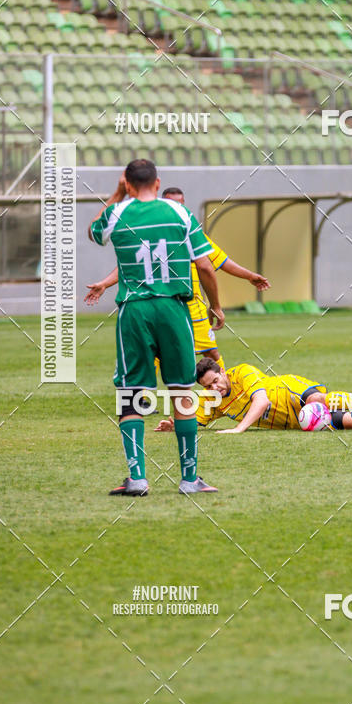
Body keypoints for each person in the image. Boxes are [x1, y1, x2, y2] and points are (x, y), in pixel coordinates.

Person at [88, 159, 224, 496]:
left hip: (134, 310)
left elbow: (94, 231)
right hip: (174, 309)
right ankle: (190, 480)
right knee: (182, 391)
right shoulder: (179, 214)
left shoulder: (118, 213)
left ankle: (137, 479)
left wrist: (118, 194)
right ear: (158, 182)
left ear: (129, 184)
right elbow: (205, 266)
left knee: (131, 394)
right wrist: (216, 305)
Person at [85, 186, 270, 370]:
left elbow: (220, 261)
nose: (175, 207)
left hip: (193, 308)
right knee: (154, 356)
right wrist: (105, 283)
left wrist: (250, 276)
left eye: (179, 204)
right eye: (171, 203)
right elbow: (129, 265)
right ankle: (142, 396)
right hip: (165, 305)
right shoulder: (150, 232)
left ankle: (222, 391)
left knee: (211, 353)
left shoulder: (191, 233)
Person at [153, 357, 352, 434]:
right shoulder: (212, 399)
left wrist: (239, 428)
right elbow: (197, 421)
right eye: (208, 387)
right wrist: (175, 424)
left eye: (216, 381)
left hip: (292, 391)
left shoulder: (241, 372)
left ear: (223, 372)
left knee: (317, 401)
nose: (215, 388)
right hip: (295, 421)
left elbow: (262, 401)